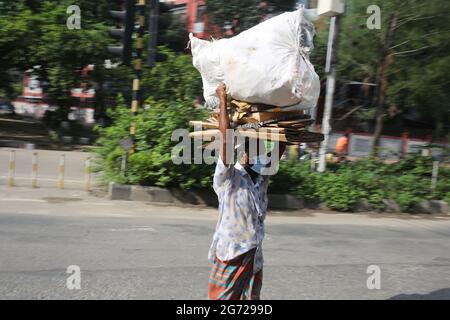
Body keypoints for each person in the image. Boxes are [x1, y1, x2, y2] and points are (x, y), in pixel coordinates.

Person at [207, 83, 286, 300]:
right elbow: (225, 141)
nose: (253, 153)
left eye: (258, 148)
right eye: (249, 148)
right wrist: (222, 99)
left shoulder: (261, 179)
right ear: (240, 153)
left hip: (254, 258)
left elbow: (281, 146)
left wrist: (285, 114)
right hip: (230, 255)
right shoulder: (228, 178)